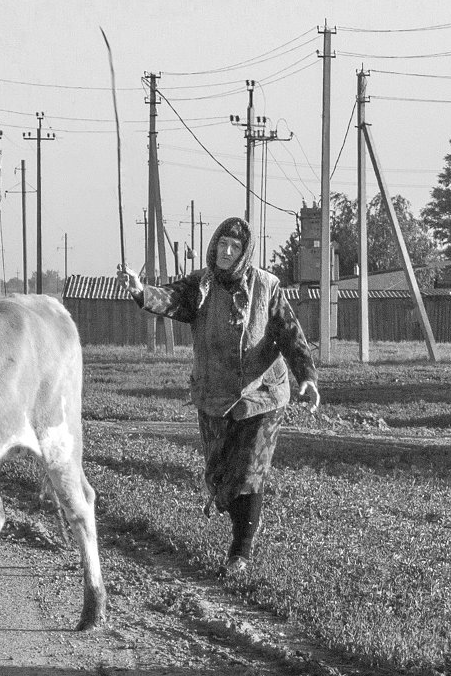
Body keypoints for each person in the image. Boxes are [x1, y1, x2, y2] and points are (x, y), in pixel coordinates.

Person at [115, 216, 320, 574]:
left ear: (245, 252)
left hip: (263, 395)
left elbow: (290, 333)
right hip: (214, 394)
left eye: (235, 247)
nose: (226, 251)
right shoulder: (201, 284)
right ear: (213, 245)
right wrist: (140, 291)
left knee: (249, 472)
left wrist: (306, 376)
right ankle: (238, 532)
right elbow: (172, 299)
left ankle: (240, 553)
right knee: (221, 475)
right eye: (222, 244)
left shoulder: (266, 286)